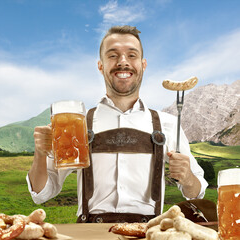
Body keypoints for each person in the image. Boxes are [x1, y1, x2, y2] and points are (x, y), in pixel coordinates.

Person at [26, 25, 208, 223]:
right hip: (90, 234)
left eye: (131, 55)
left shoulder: (168, 124)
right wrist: (40, 154)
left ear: (143, 64)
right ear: (100, 65)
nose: (123, 62)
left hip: (148, 233)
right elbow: (42, 193)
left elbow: (196, 193)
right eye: (113, 55)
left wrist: (187, 176)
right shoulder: (76, 124)